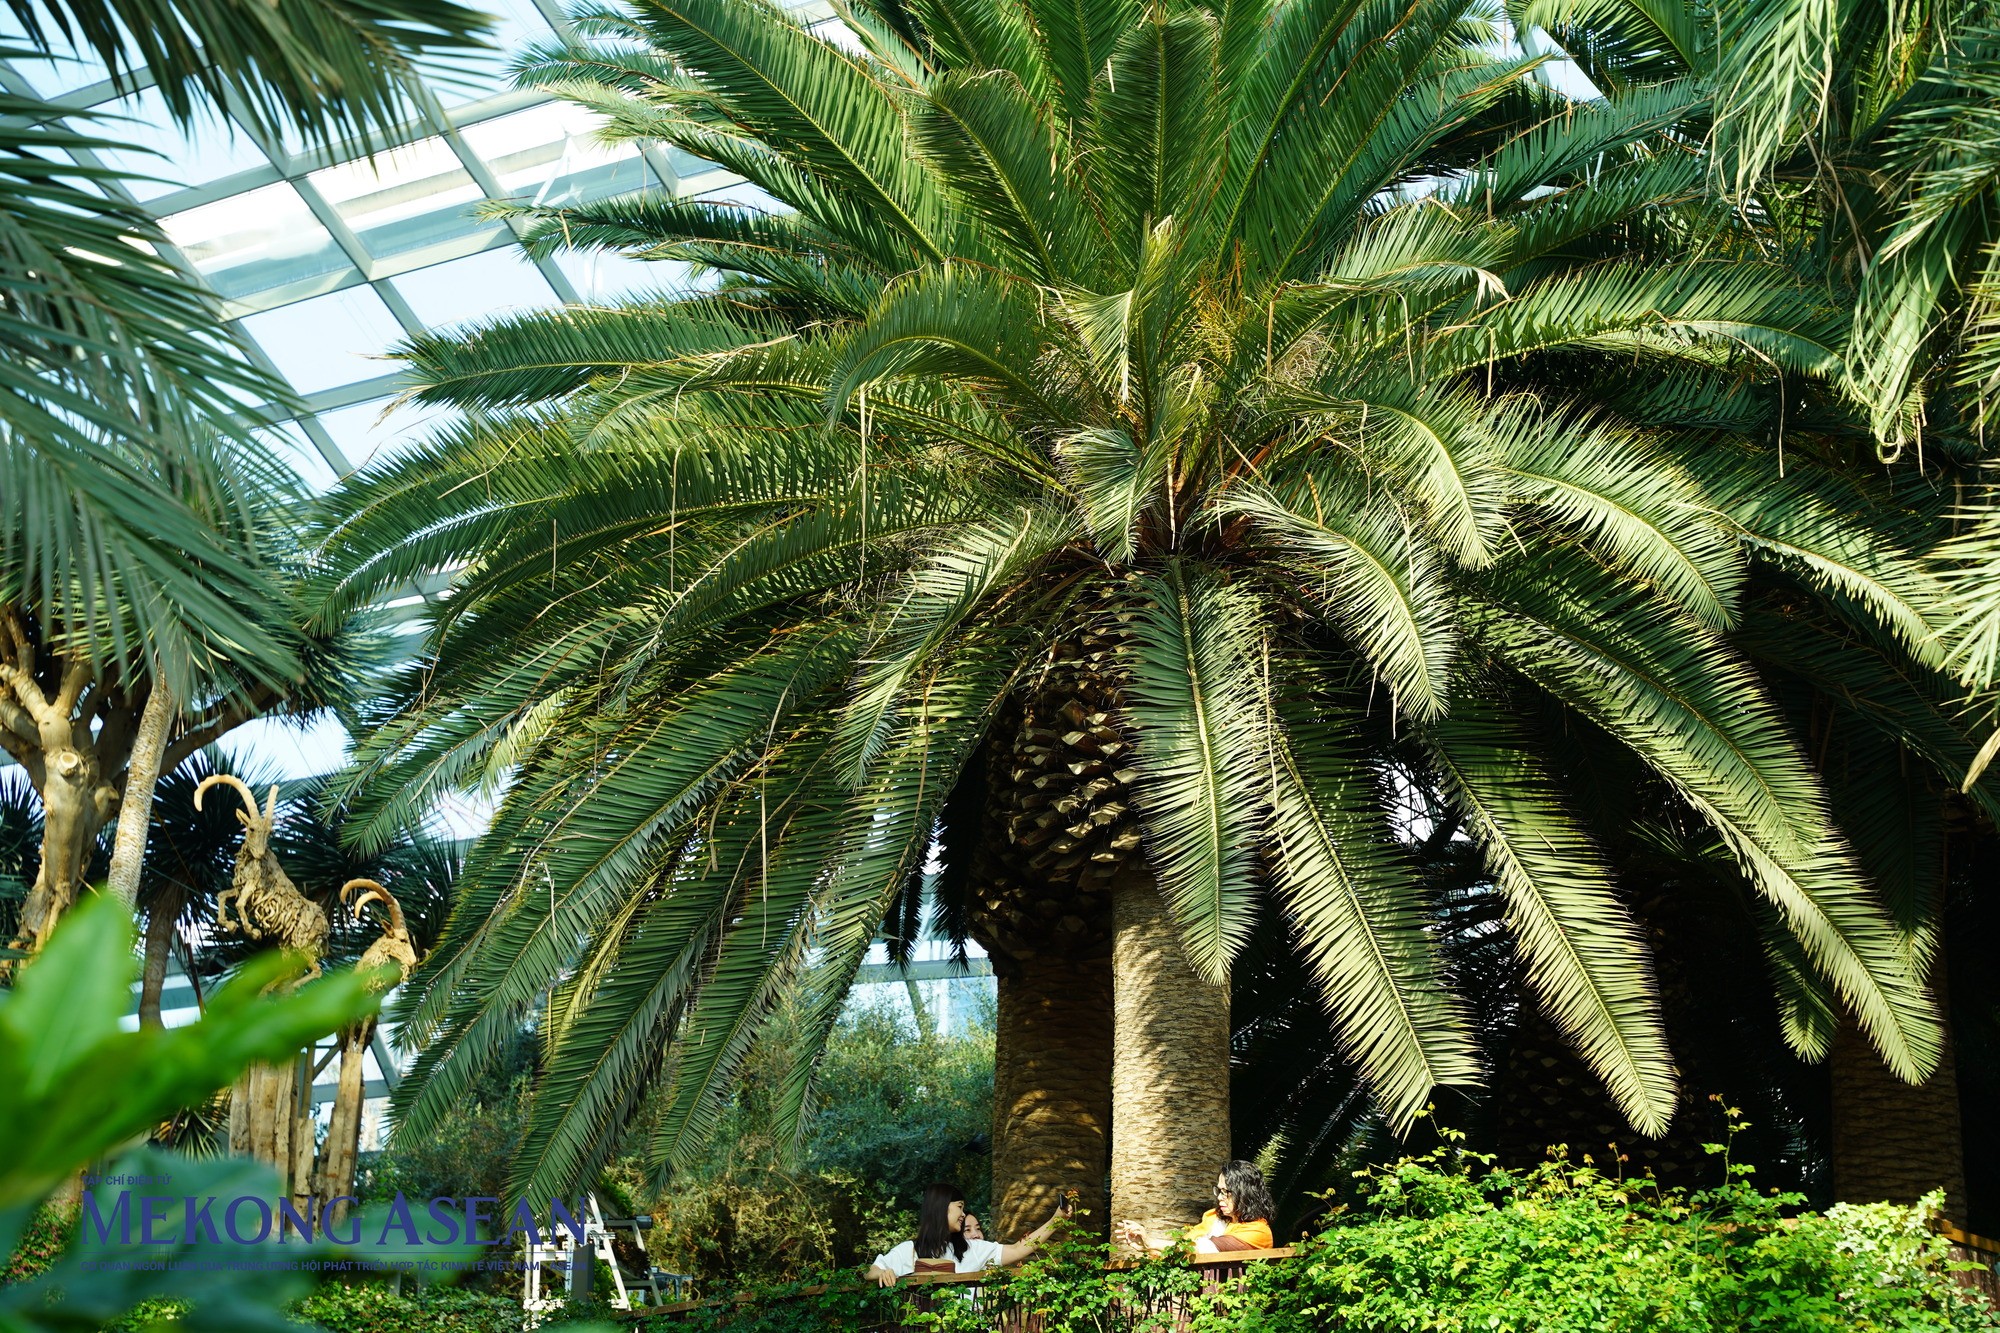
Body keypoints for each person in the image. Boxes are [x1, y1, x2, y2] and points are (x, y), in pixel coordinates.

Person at [867, 1183, 1068, 1287]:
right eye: (959, 1207)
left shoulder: (970, 1249)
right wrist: (883, 1273)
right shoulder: (908, 1250)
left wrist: (1056, 1220)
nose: (963, 1214)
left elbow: (1018, 1249)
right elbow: (871, 1272)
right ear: (941, 1208)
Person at [1115, 1160, 1276, 1253]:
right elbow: (1184, 1248)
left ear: (1245, 1194)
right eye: (1219, 1191)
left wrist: (1152, 1242)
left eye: (1227, 1192)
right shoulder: (1212, 1217)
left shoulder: (1258, 1231)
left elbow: (1205, 1248)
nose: (1220, 1197)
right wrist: (1147, 1248)